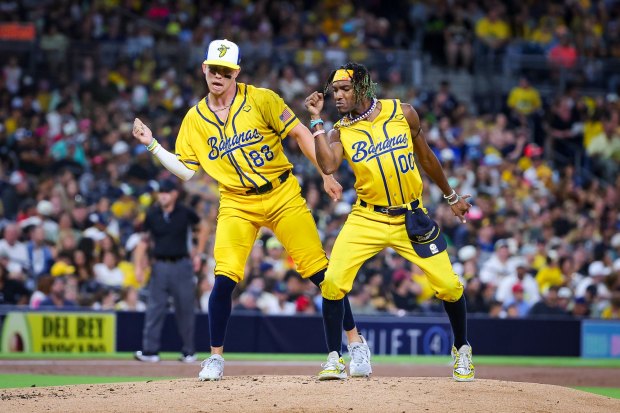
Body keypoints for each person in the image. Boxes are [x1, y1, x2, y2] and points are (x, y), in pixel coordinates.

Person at [131, 39, 369, 381]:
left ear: (236, 73)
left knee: (321, 273)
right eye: (214, 68)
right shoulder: (194, 119)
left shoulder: (261, 99)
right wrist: (152, 144)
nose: (219, 75)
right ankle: (214, 359)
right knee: (224, 279)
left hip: (282, 194)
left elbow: (301, 134)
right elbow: (185, 170)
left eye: (226, 71)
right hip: (237, 202)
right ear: (204, 68)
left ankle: (355, 342)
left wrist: (325, 173)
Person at [304, 62, 475, 381]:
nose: (338, 96)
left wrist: (451, 197)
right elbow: (327, 164)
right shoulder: (339, 130)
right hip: (367, 216)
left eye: (344, 89)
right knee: (332, 282)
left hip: (411, 217)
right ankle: (333, 358)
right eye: (335, 91)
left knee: (450, 286)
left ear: (364, 88)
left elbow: (425, 157)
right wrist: (315, 119)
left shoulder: (403, 112)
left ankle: (462, 349)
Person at [133, 178, 209, 364]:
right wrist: (138, 266)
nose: (162, 196)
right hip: (159, 265)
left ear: (175, 194)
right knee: (154, 308)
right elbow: (144, 241)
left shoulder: (185, 212)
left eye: (166, 192)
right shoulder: (152, 214)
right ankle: (150, 351)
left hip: (182, 264)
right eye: (161, 192)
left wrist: (198, 253)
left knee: (185, 308)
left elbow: (204, 227)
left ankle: (189, 351)